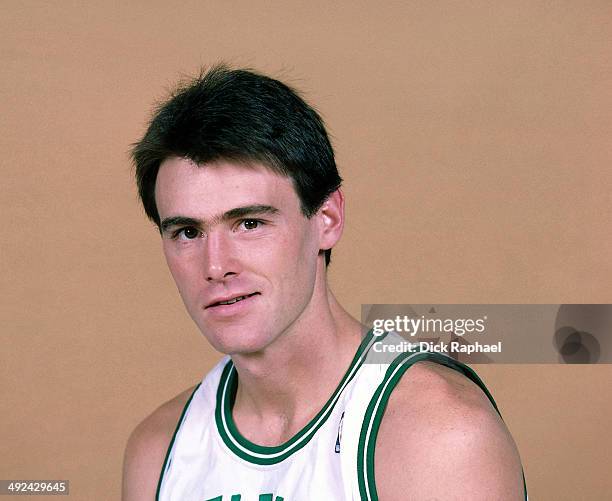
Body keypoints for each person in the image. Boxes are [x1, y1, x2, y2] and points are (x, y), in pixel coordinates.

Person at [122, 65, 526, 500]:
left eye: (250, 223)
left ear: (327, 219)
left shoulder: (436, 435)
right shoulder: (159, 453)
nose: (216, 266)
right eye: (187, 232)